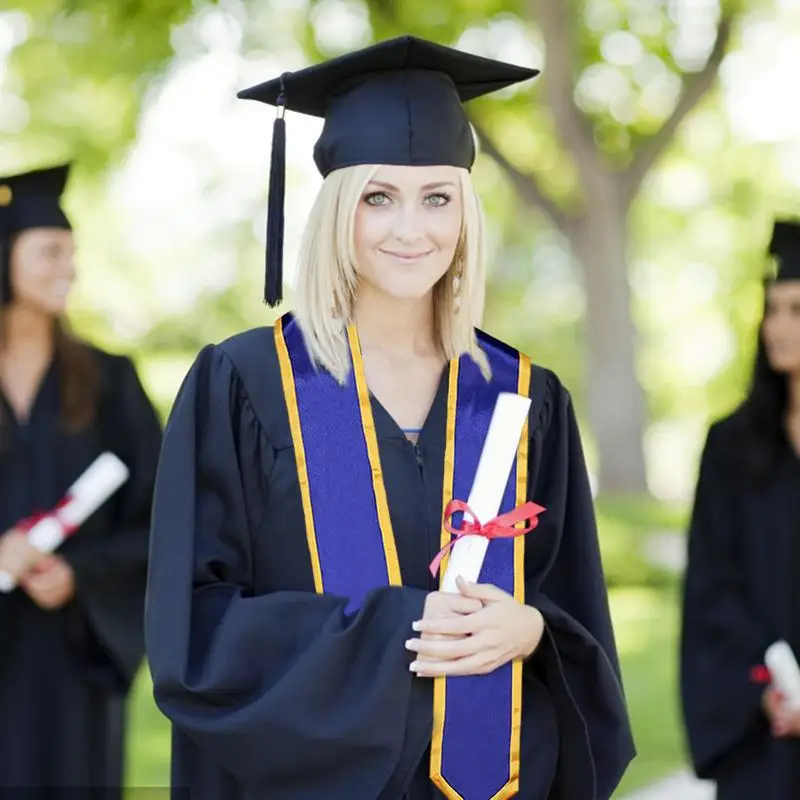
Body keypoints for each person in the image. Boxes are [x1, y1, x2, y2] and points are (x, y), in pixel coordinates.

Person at [145, 36, 635, 800]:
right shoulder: (246, 386)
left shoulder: (522, 398)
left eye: (437, 197)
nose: (413, 229)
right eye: (380, 197)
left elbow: (574, 614)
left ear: (466, 211)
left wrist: (532, 632)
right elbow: (194, 629)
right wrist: (395, 629)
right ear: (339, 208)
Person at [0, 163, 163, 796]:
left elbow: (163, 518)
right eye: (50, 251)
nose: (68, 266)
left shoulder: (109, 382)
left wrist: (81, 572)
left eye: (72, 252)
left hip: (74, 657)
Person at [680, 219, 800, 798]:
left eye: (797, 310)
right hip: (762, 725)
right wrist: (766, 688)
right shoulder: (732, 447)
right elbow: (712, 585)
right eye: (772, 309)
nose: (777, 327)